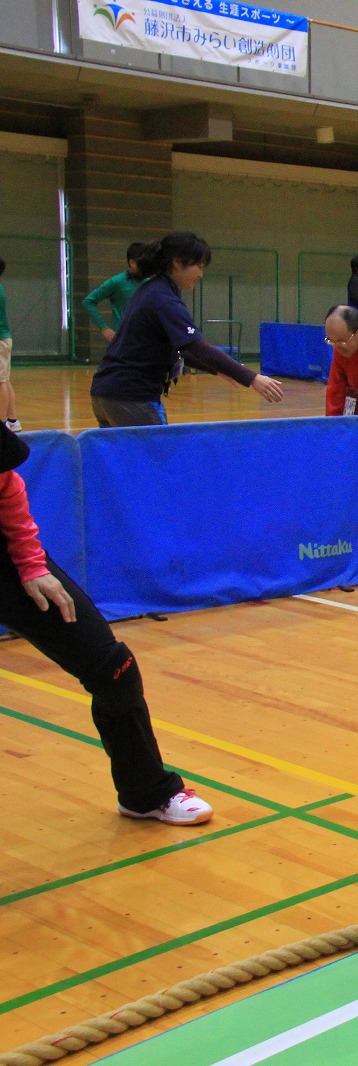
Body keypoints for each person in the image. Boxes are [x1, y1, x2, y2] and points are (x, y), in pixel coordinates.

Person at [0, 424, 212, 824]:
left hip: (7, 559)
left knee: (114, 670)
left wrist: (30, 564)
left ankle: (144, 794)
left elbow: (6, 484)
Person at [89, 232, 285, 427]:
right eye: (198, 266)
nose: (200, 274)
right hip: (131, 399)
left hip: (105, 394)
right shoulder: (163, 299)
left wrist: (216, 369)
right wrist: (252, 378)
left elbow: (180, 350)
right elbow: (198, 348)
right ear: (177, 263)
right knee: (161, 449)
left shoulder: (151, 290)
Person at [83, 242, 146, 352]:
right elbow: (88, 301)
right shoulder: (117, 282)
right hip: (124, 343)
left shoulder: (152, 283)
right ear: (132, 263)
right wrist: (104, 328)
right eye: (144, 263)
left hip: (147, 341)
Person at [0, 257, 13, 432]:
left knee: (1, 382)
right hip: (4, 339)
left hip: (1, 340)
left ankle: (2, 423)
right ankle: (13, 419)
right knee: (5, 380)